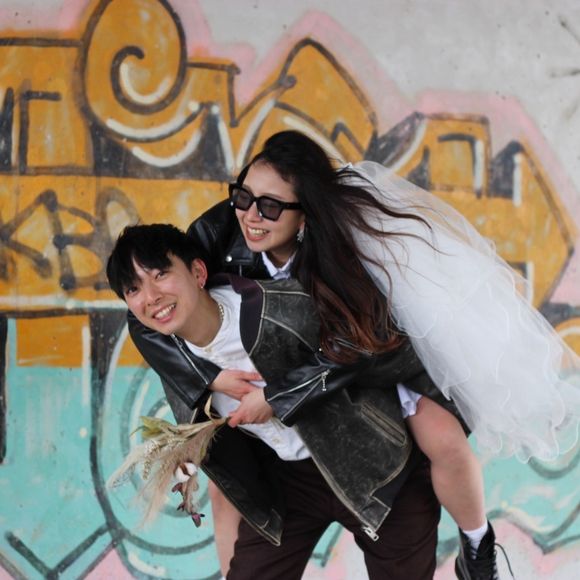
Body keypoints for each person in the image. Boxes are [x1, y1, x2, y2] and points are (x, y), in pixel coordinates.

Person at [130, 131, 579, 580]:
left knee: (443, 439)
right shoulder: (219, 232)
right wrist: (207, 376)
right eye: (243, 196)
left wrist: (279, 397)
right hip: (303, 395)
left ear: (305, 212)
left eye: (270, 206)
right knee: (226, 484)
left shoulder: (342, 246)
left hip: (379, 356)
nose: (251, 215)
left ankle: (478, 546)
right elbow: (146, 313)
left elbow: (362, 343)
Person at [107, 223, 445, 580]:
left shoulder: (278, 310)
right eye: (133, 288)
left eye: (161, 274)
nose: (151, 296)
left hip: (373, 468)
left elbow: (365, 341)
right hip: (288, 486)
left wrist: (277, 397)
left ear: (198, 273)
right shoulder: (173, 362)